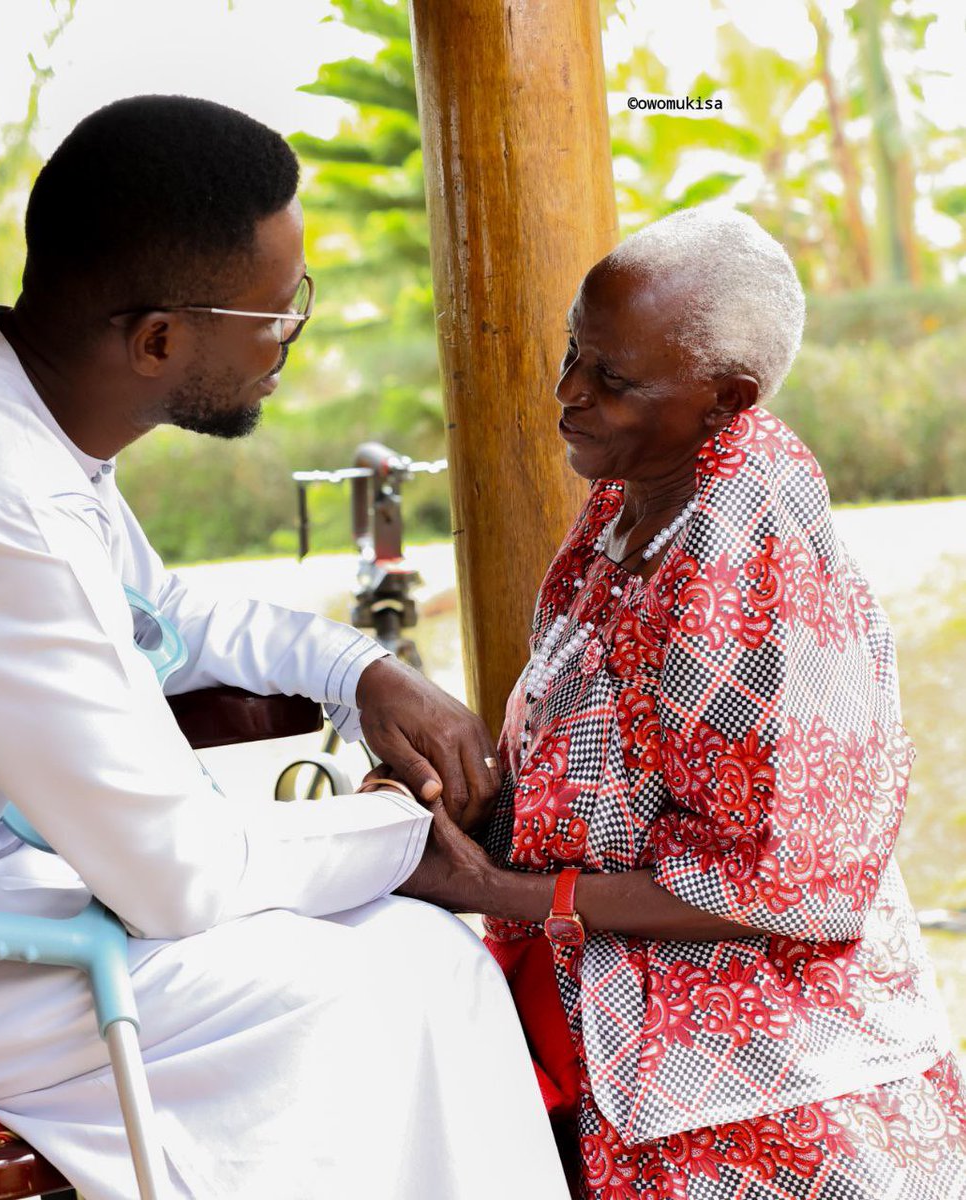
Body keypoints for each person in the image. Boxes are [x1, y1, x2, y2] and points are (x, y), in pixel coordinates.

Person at [0, 95, 570, 1199]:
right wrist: (394, 836)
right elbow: (172, 877)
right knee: (343, 994)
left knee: (424, 960)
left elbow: (157, 620)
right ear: (159, 340)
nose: (290, 338)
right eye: (277, 314)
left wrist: (356, 670)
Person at [402, 206, 966, 1197]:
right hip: (657, 1061)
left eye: (612, 379)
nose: (568, 393)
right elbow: (620, 774)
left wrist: (496, 891)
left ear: (724, 398)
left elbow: (781, 886)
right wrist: (472, 809)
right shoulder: (640, 493)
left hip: (771, 1108)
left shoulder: (752, 561)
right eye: (574, 350)